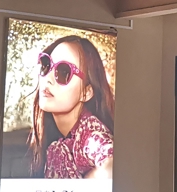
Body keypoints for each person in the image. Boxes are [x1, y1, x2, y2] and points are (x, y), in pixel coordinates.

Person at [27, 35, 115, 179]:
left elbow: (113, 166)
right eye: (46, 65)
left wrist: (81, 187)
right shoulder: (57, 141)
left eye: (64, 72)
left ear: (86, 92)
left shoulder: (90, 134)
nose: (48, 79)